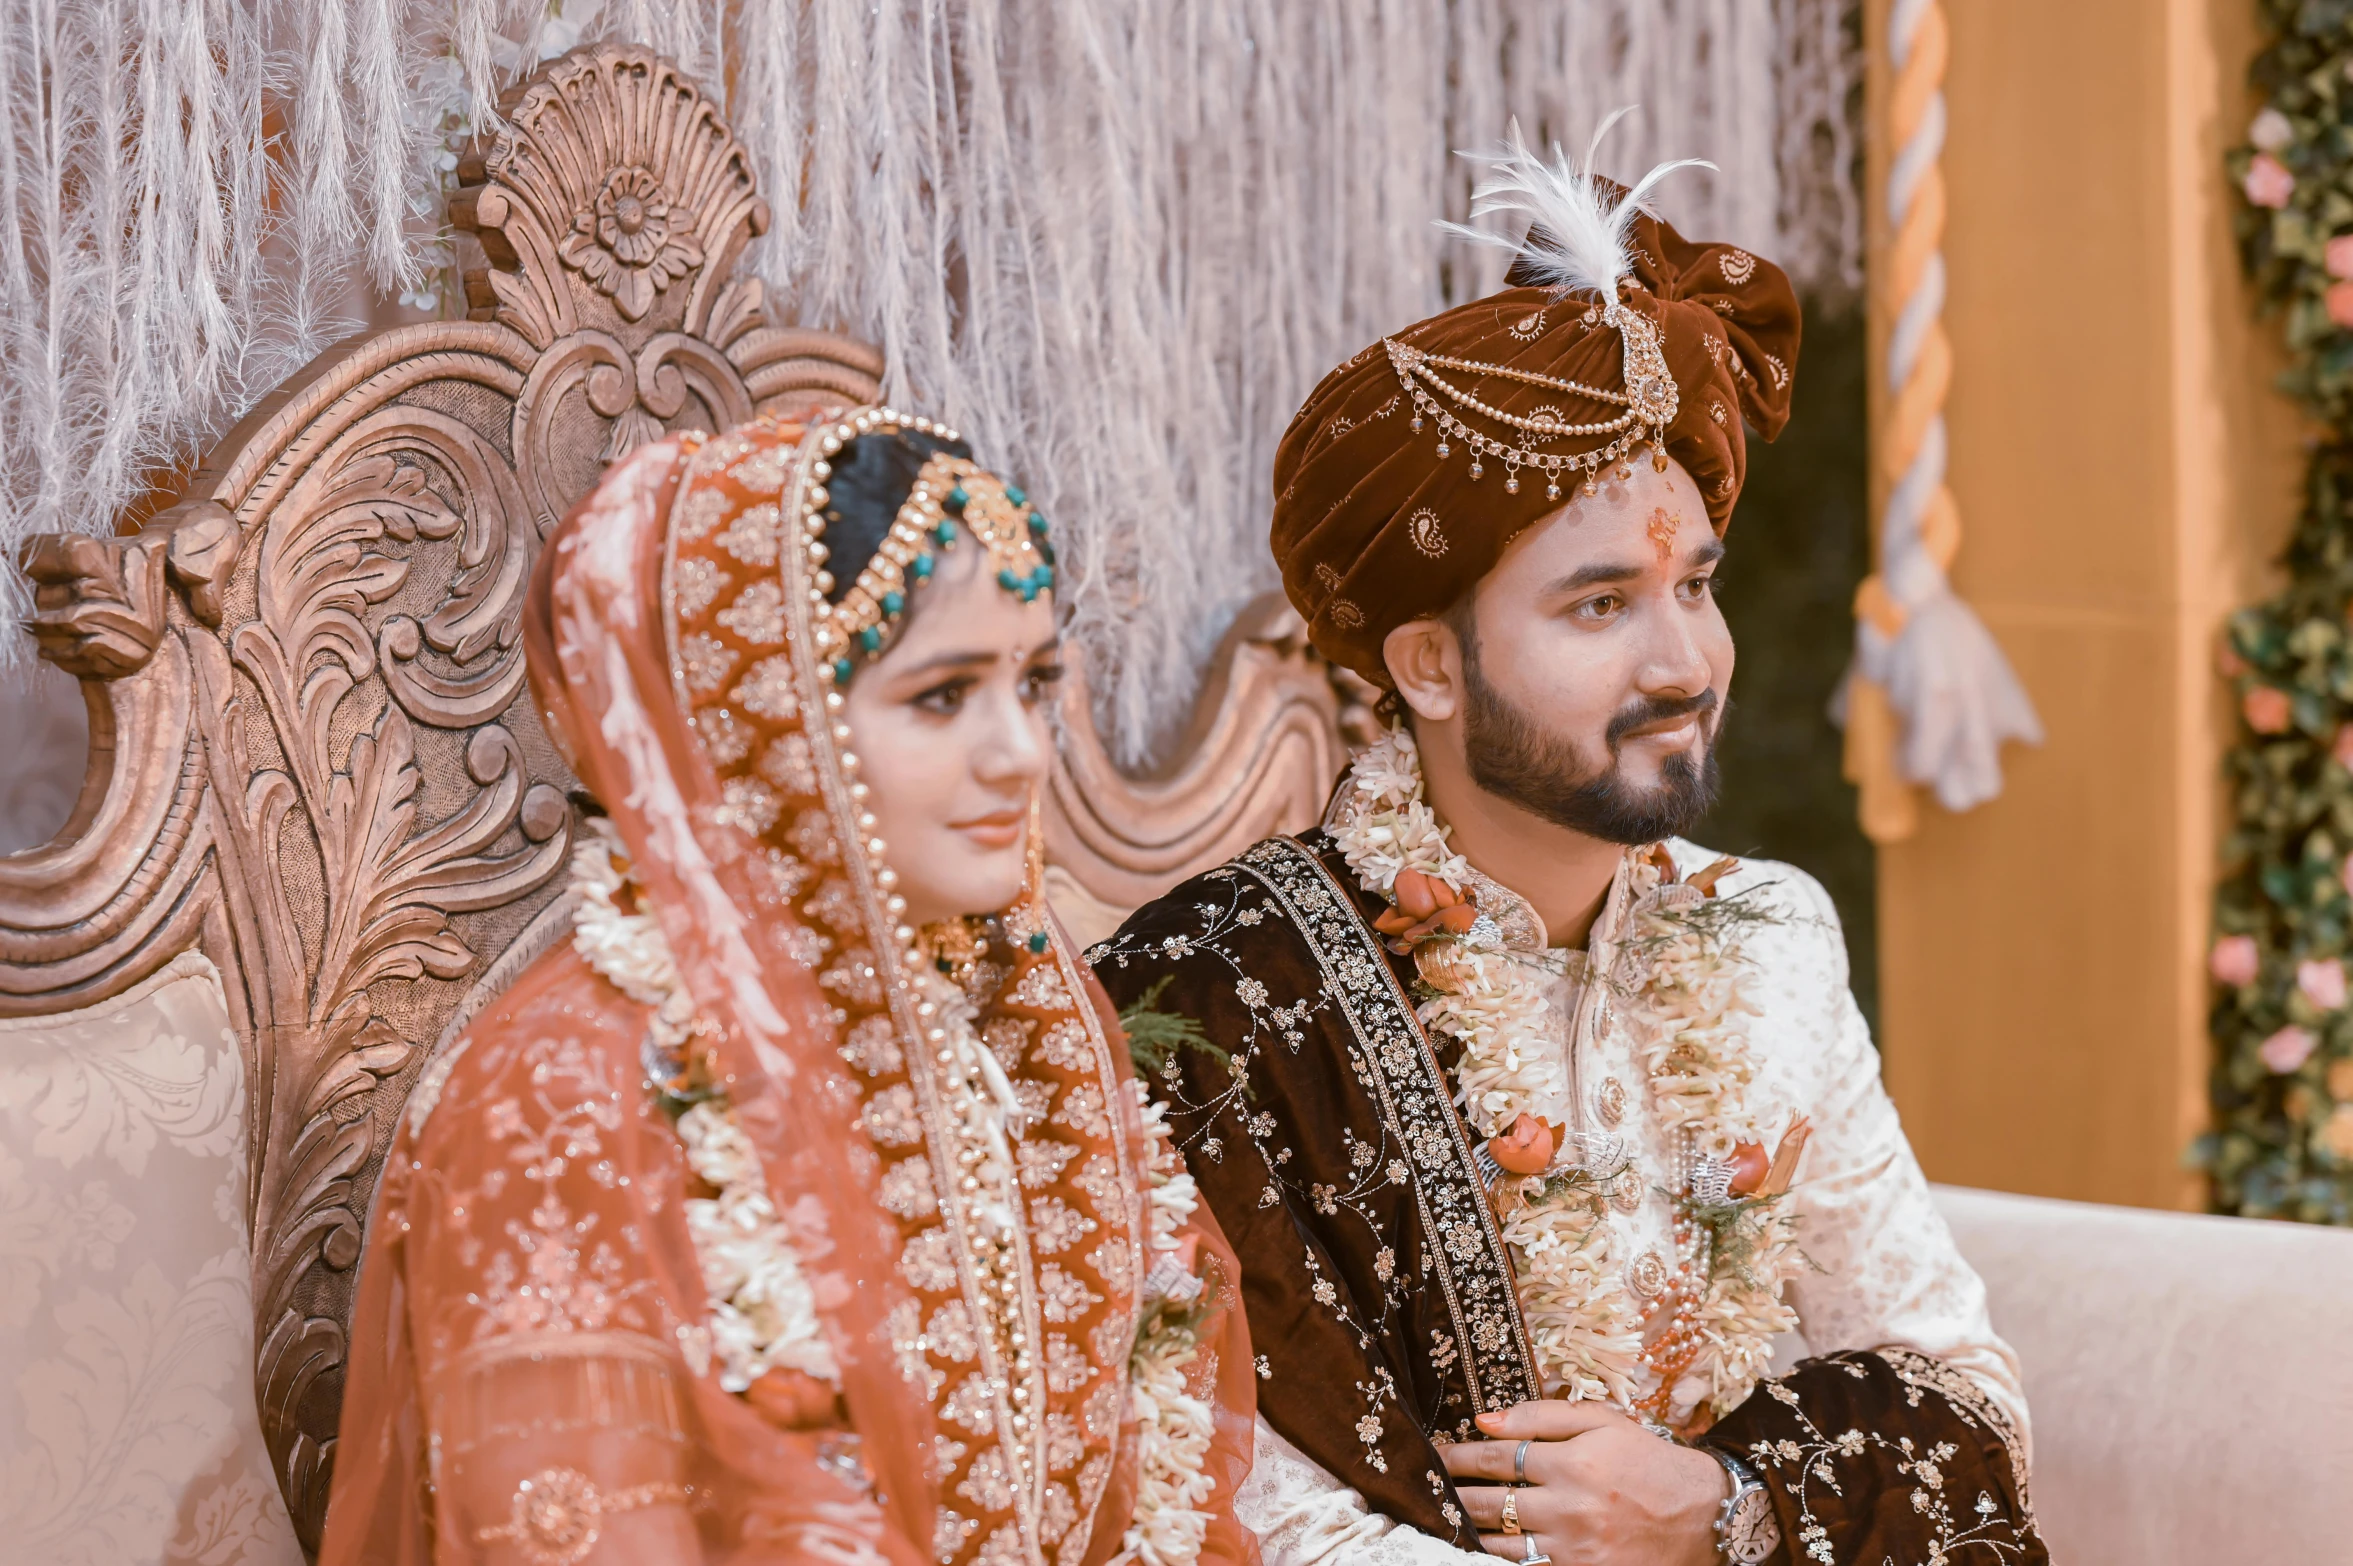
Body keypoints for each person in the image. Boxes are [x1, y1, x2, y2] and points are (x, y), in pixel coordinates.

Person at [1087, 135, 2045, 1566]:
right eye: (1599, 606)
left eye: (1695, 585)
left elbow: (1969, 1406)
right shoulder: (1212, 999)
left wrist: (1718, 1507)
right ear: (1427, 663)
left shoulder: (1769, 936)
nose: (1684, 662)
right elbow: (1221, 1496)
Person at [319, 410, 1259, 1566]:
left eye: (1034, 682)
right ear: (754, 718)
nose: (1020, 750)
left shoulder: (1013, 1032)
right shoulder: (568, 1094)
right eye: (941, 694)